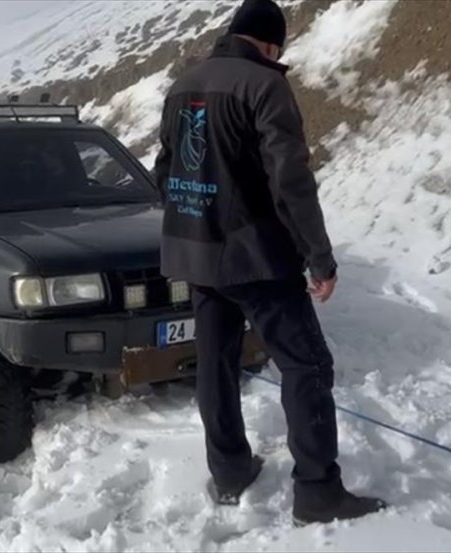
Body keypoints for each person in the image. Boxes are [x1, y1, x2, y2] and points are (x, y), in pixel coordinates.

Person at [152, 0, 388, 525]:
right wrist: (318, 258)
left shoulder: (182, 83)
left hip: (197, 255)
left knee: (215, 361)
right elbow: (291, 181)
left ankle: (230, 470)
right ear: (270, 43)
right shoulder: (264, 85)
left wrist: (197, 220)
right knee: (308, 365)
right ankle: (318, 492)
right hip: (255, 257)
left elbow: (163, 172)